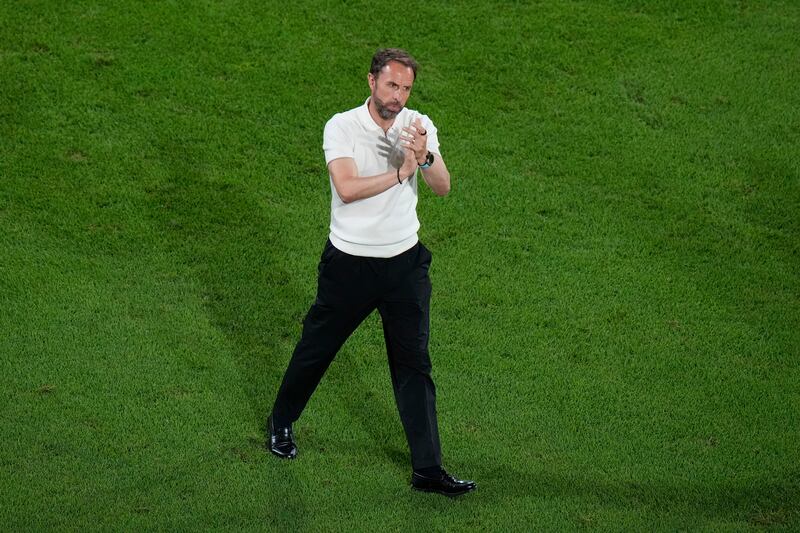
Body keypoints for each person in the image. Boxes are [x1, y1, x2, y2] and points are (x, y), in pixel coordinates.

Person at [266, 48, 475, 497]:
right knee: (316, 350)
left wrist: (423, 157)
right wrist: (400, 172)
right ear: (371, 82)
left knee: (413, 365)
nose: (398, 96)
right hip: (350, 266)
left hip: (405, 264)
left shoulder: (418, 124)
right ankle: (280, 422)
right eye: (391, 85)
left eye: (405, 88)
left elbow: (443, 187)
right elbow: (346, 188)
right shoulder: (341, 126)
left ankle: (428, 470)